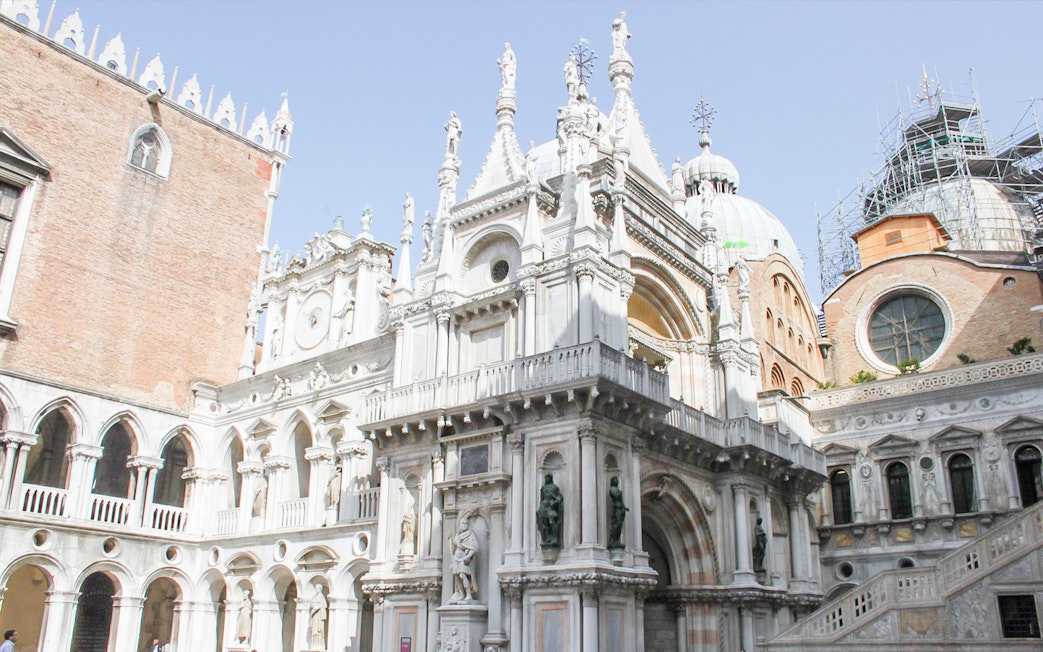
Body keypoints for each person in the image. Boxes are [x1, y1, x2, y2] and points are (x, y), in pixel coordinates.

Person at [450, 515, 479, 602]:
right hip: (456, 557)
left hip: (464, 558)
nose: (464, 525)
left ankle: (469, 594)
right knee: (457, 577)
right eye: (462, 523)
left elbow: (474, 547)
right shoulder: (457, 536)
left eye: (466, 523)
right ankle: (461, 594)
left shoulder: (470, 534)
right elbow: (455, 546)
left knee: (462, 575)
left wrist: (468, 557)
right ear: (460, 524)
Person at [536, 474, 563, 547]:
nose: (546, 479)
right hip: (544, 507)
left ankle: (555, 537)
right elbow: (542, 499)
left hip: (551, 507)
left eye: (548, 478)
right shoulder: (543, 488)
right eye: (546, 478)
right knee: (545, 523)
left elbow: (559, 498)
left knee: (552, 522)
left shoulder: (554, 488)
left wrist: (554, 503)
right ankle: (548, 537)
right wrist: (541, 507)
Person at [608, 476, 629, 549]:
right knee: (617, 523)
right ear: (613, 481)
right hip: (617, 508)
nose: (617, 481)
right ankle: (612, 539)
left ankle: (616, 540)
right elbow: (616, 496)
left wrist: (624, 507)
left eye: (617, 480)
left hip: (621, 508)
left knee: (619, 525)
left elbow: (621, 501)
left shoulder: (616, 490)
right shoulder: (612, 489)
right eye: (615, 480)